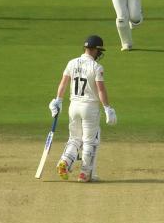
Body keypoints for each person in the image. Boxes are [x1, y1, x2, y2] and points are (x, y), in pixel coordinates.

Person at [49, 35, 117, 183]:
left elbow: (63, 83)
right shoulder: (96, 67)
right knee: (89, 141)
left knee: (74, 138)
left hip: (73, 106)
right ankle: (85, 174)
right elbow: (101, 90)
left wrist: (58, 101)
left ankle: (65, 162)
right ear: (96, 50)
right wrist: (107, 108)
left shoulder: (71, 63)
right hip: (89, 107)